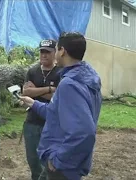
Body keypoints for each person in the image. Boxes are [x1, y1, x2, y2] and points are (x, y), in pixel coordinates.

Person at [19, 32, 102, 180]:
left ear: (62, 51)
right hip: (73, 163)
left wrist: (58, 160)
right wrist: (33, 103)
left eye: (56, 49)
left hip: (64, 167)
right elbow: (56, 113)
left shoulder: (69, 84)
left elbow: (85, 132)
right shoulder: (87, 79)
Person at [22, 39, 62, 180]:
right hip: (32, 122)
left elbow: (58, 96)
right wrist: (49, 89)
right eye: (42, 52)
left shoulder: (60, 73)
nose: (44, 55)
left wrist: (36, 91)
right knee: (33, 161)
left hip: (50, 124)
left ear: (54, 53)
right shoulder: (32, 71)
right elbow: (25, 92)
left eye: (48, 52)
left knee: (48, 163)